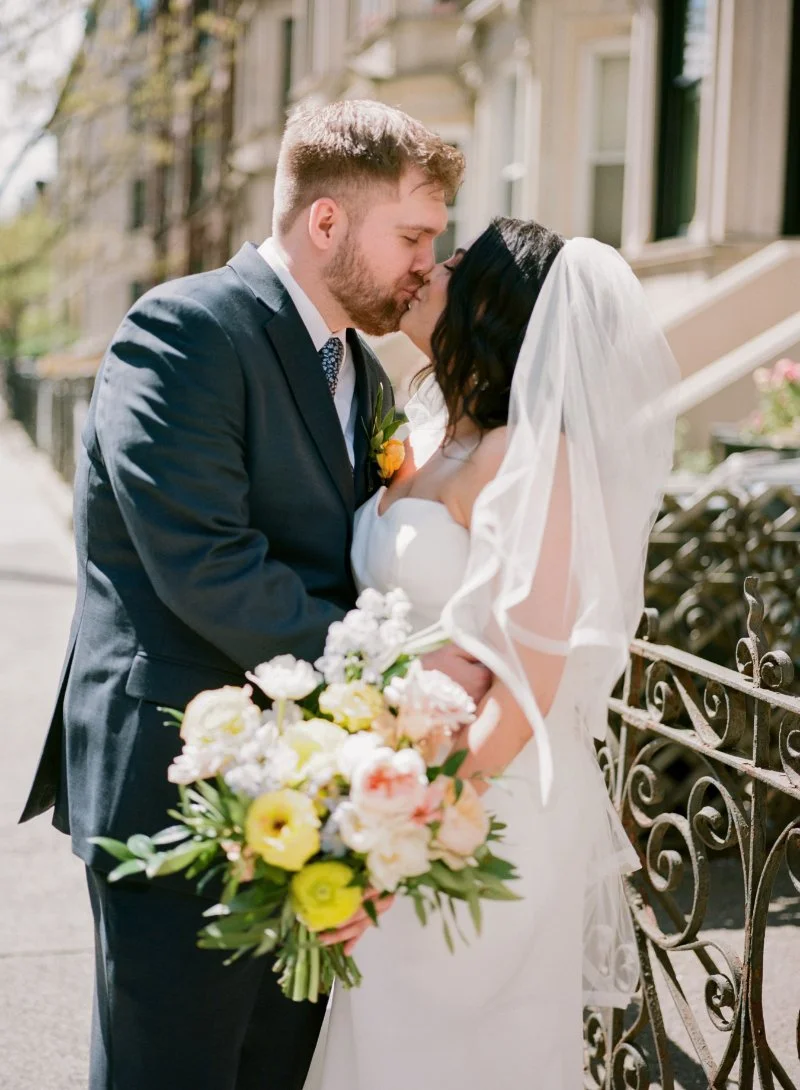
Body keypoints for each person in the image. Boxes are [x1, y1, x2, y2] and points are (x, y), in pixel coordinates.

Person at [18, 101, 489, 1090]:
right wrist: (395, 686)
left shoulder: (361, 372)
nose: (423, 262)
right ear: (326, 223)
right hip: (177, 780)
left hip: (315, 795)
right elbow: (208, 563)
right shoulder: (184, 329)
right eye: (411, 235)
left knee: (272, 1069)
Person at [308, 217, 678, 1089]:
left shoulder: (534, 458)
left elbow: (527, 685)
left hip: (474, 814)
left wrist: (407, 828)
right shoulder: (432, 432)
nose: (429, 269)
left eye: (456, 264)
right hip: (393, 790)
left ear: (496, 305)